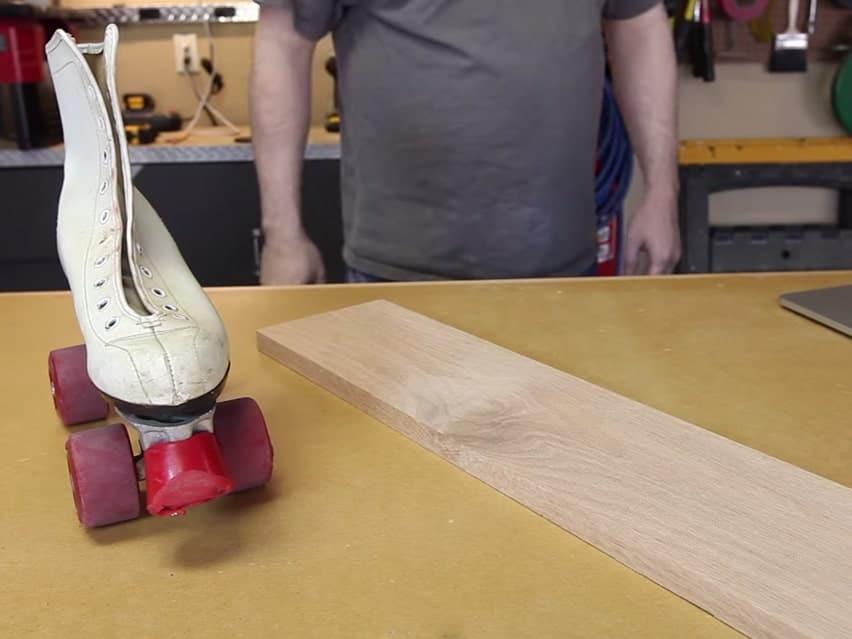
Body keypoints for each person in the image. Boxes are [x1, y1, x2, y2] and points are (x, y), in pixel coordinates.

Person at [250, 1, 681, 284]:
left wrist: (662, 192)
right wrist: (282, 234)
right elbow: (283, 43)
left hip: (562, 269)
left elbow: (640, 25)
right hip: (397, 276)